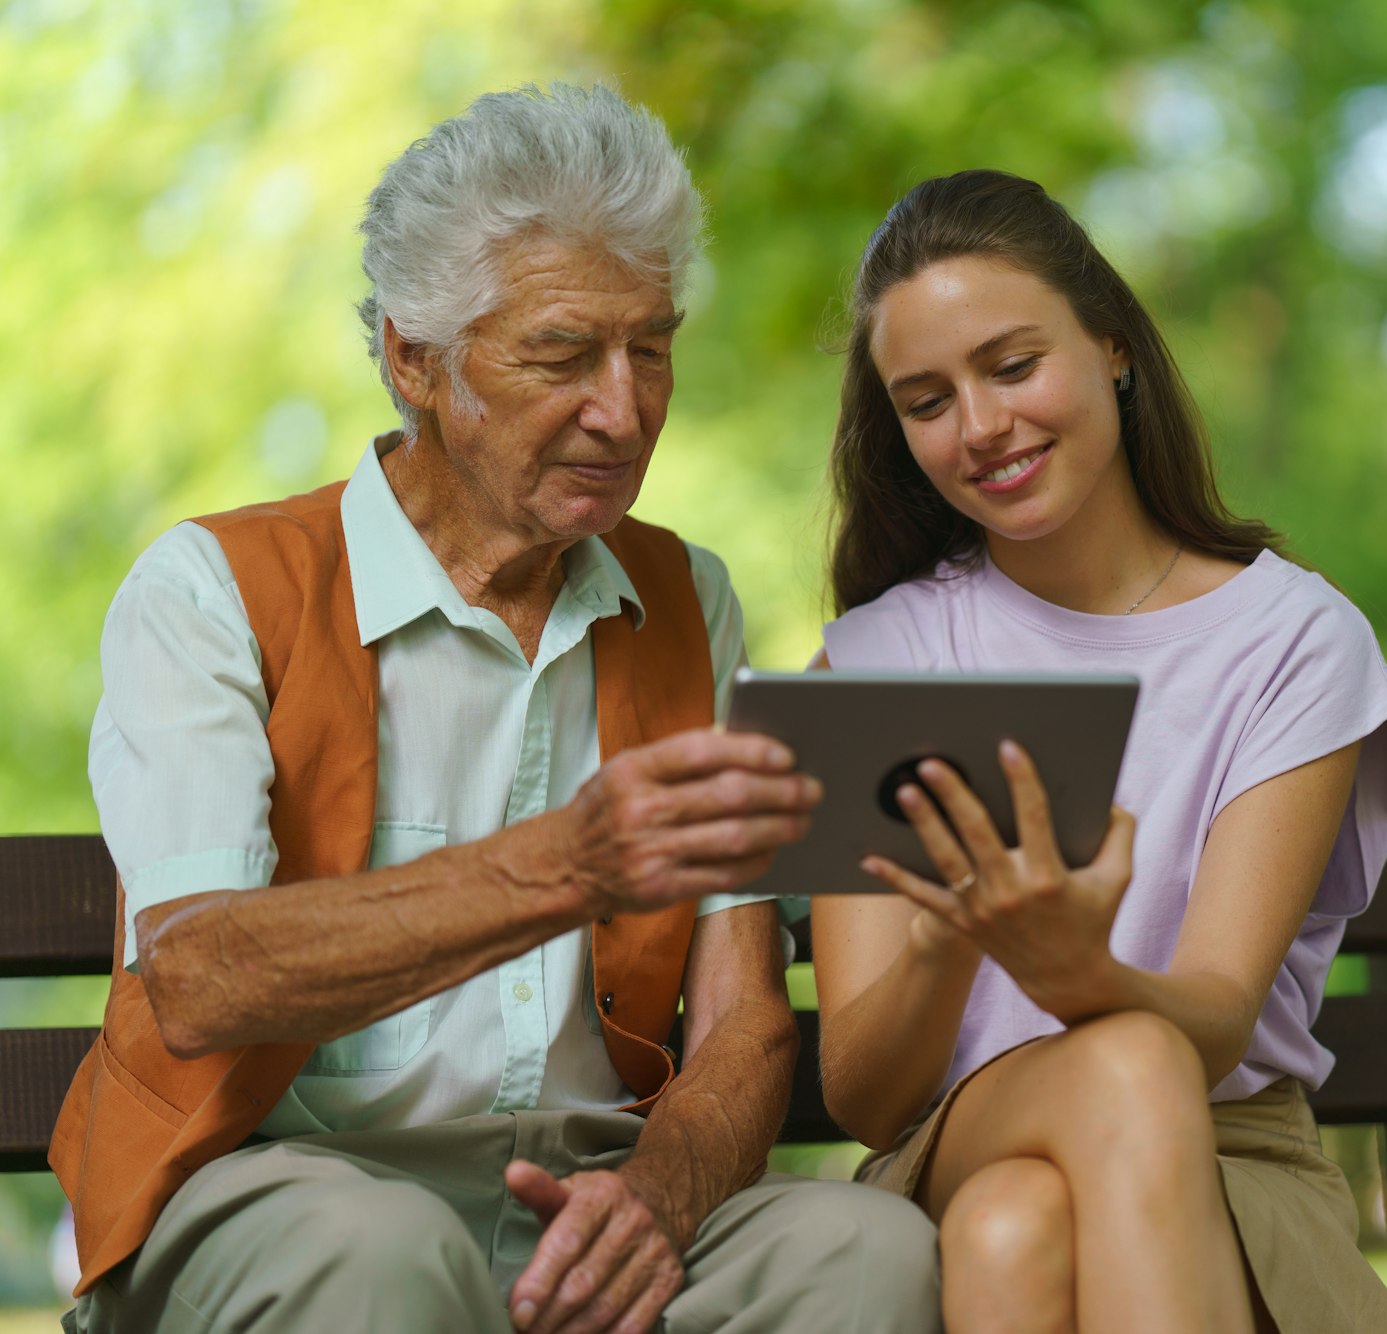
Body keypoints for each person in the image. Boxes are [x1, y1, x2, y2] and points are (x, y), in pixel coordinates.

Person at [54, 84, 941, 1334]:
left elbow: (742, 1015)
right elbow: (199, 977)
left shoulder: (685, 596)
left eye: (652, 347)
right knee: (381, 1245)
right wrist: (564, 863)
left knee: (861, 1246)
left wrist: (659, 1194)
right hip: (277, 1194)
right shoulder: (212, 590)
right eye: (563, 354)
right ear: (412, 359)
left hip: (587, 1191)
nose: (623, 410)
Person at [809, 169, 1387, 1334]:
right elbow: (867, 1096)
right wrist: (946, 942)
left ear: (1112, 347)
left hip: (1229, 1152)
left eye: (1010, 364)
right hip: (955, 1133)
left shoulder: (1290, 639)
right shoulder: (882, 658)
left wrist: (1070, 966)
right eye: (926, 398)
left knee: (1015, 1228)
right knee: (1117, 1072)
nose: (980, 427)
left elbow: (1212, 1020)